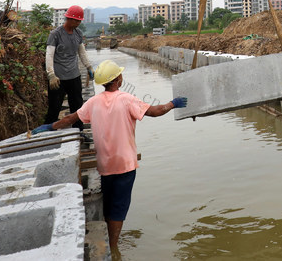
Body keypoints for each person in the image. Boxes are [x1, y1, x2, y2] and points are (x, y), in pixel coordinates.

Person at [34, 60, 187, 255]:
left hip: (105, 166)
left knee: (109, 204)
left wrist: (50, 126)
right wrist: (173, 104)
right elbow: (155, 111)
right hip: (125, 165)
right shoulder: (127, 99)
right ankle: (114, 249)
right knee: (119, 208)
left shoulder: (93, 102)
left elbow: (71, 118)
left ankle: (109, 241)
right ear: (118, 79)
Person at [44, 5, 94, 130]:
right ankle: (47, 133)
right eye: (76, 20)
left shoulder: (78, 33)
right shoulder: (55, 34)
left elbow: (81, 52)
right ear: (69, 19)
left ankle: (78, 132)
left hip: (74, 76)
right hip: (58, 78)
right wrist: (51, 75)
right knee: (54, 108)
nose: (78, 23)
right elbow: (49, 55)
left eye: (79, 21)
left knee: (77, 108)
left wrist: (89, 67)